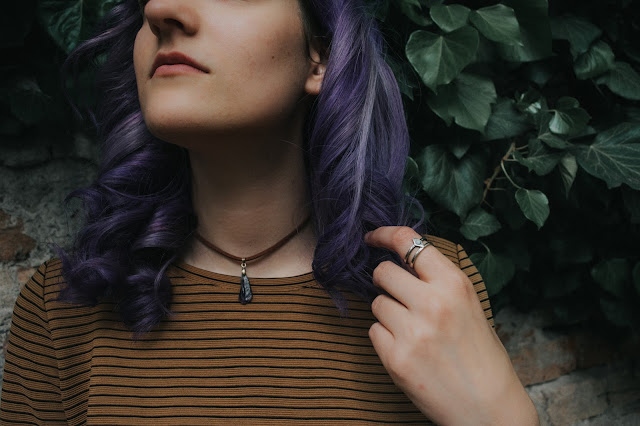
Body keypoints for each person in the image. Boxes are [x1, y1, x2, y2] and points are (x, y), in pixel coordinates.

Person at [1, 0, 539, 424]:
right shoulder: (64, 304)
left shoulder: (428, 291)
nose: (161, 9)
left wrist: (500, 417)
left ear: (319, 57)